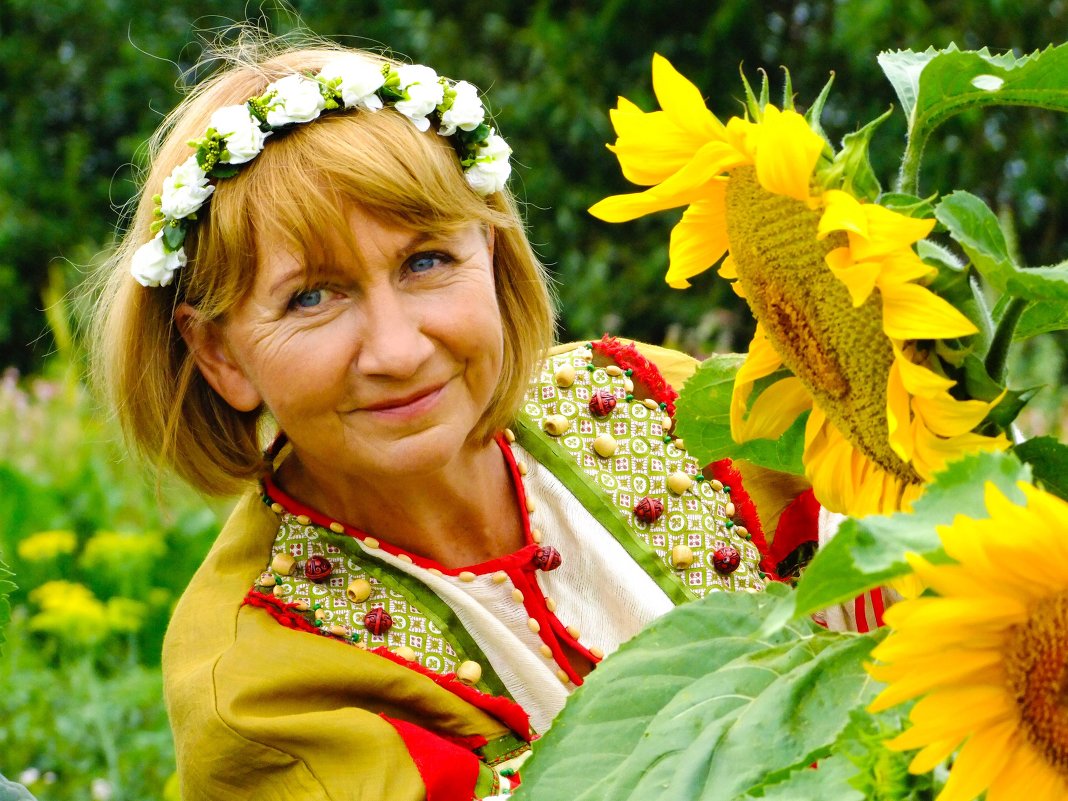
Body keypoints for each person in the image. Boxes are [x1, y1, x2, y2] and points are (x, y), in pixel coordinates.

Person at [93, 35, 811, 801]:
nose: (398, 351)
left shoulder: (659, 400)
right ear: (218, 355)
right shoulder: (261, 682)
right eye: (311, 296)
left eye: (426, 261)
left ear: (493, 255)